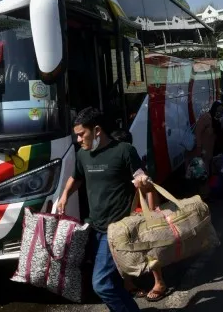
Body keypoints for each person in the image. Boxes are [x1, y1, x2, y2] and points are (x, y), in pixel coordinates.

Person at [57, 107, 154, 312]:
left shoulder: (124, 151)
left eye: (82, 134)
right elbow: (77, 178)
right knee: (112, 282)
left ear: (97, 130)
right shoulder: (83, 155)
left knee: (101, 283)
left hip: (118, 231)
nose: (78, 140)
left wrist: (142, 181)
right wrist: (64, 196)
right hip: (95, 229)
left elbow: (141, 177)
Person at [110, 129, 170, 302]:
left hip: (140, 212)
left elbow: (149, 188)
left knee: (149, 247)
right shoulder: (116, 163)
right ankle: (128, 283)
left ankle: (159, 283)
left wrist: (151, 214)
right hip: (123, 214)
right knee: (123, 248)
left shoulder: (133, 162)